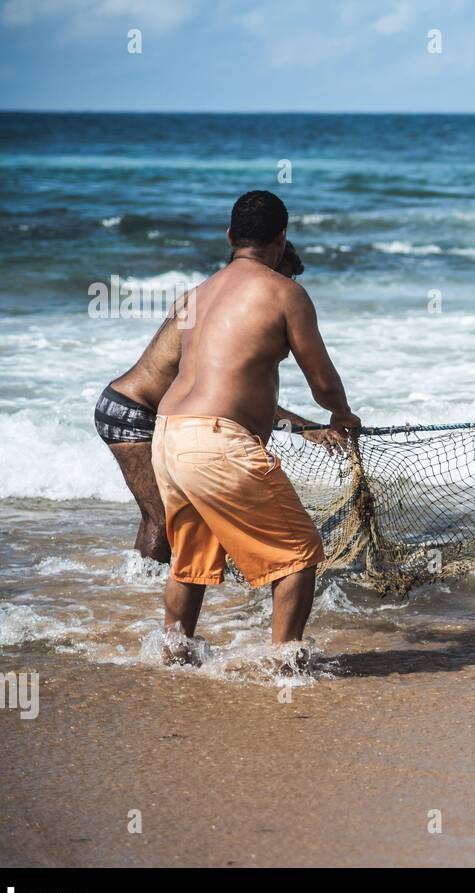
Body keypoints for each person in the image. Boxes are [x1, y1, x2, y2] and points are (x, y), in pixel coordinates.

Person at [152, 190, 359, 665]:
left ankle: (173, 653)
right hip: (218, 442)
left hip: (169, 434)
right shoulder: (285, 292)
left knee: (191, 559)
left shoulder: (196, 295)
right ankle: (285, 664)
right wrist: (342, 416)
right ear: (282, 239)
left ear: (230, 237)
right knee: (300, 554)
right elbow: (323, 382)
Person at [93, 240, 322, 563]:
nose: (282, 287)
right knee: (168, 523)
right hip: (135, 412)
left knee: (159, 518)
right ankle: (145, 596)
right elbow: (216, 393)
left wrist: (300, 426)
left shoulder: (206, 297)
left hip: (126, 407)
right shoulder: (227, 311)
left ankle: (142, 589)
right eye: (279, 277)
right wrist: (305, 426)